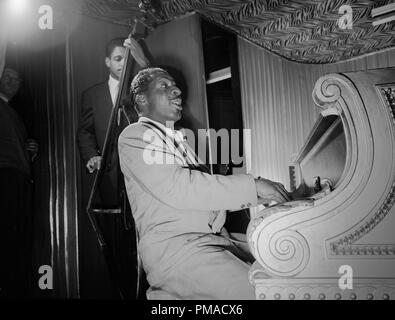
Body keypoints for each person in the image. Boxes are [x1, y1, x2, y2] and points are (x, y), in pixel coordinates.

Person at [118, 65, 292, 300]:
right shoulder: (133, 136)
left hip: (208, 240)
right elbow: (182, 188)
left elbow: (203, 196)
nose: (177, 90)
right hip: (179, 251)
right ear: (141, 99)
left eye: (175, 85)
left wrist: (259, 196)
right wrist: (253, 185)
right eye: (164, 86)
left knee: (287, 269)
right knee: (267, 294)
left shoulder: (178, 138)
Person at [0, 67, 38, 298]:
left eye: (18, 80)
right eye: (8, 77)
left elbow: (14, 147)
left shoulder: (12, 112)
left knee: (17, 238)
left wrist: (28, 151)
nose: (14, 82)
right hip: (5, 176)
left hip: (19, 177)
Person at [77, 38, 128, 205]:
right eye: (118, 58)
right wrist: (92, 156)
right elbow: (85, 131)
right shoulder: (92, 95)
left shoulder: (139, 91)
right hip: (109, 173)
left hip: (138, 170)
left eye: (127, 58)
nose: (123, 63)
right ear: (108, 62)